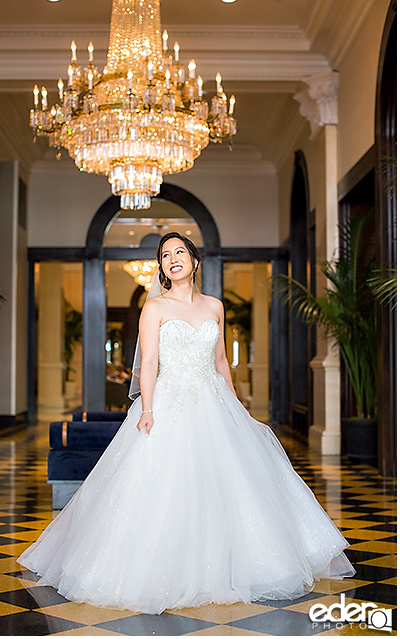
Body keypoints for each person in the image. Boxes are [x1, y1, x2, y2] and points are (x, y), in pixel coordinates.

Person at [18, 232, 355, 615]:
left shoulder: (215, 306)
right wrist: (147, 408)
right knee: (165, 483)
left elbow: (221, 361)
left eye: (180, 252)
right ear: (161, 267)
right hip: (168, 401)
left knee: (232, 482)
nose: (173, 258)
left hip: (215, 402)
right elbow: (148, 363)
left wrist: (236, 404)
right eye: (165, 255)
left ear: (195, 261)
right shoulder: (155, 308)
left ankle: (238, 564)